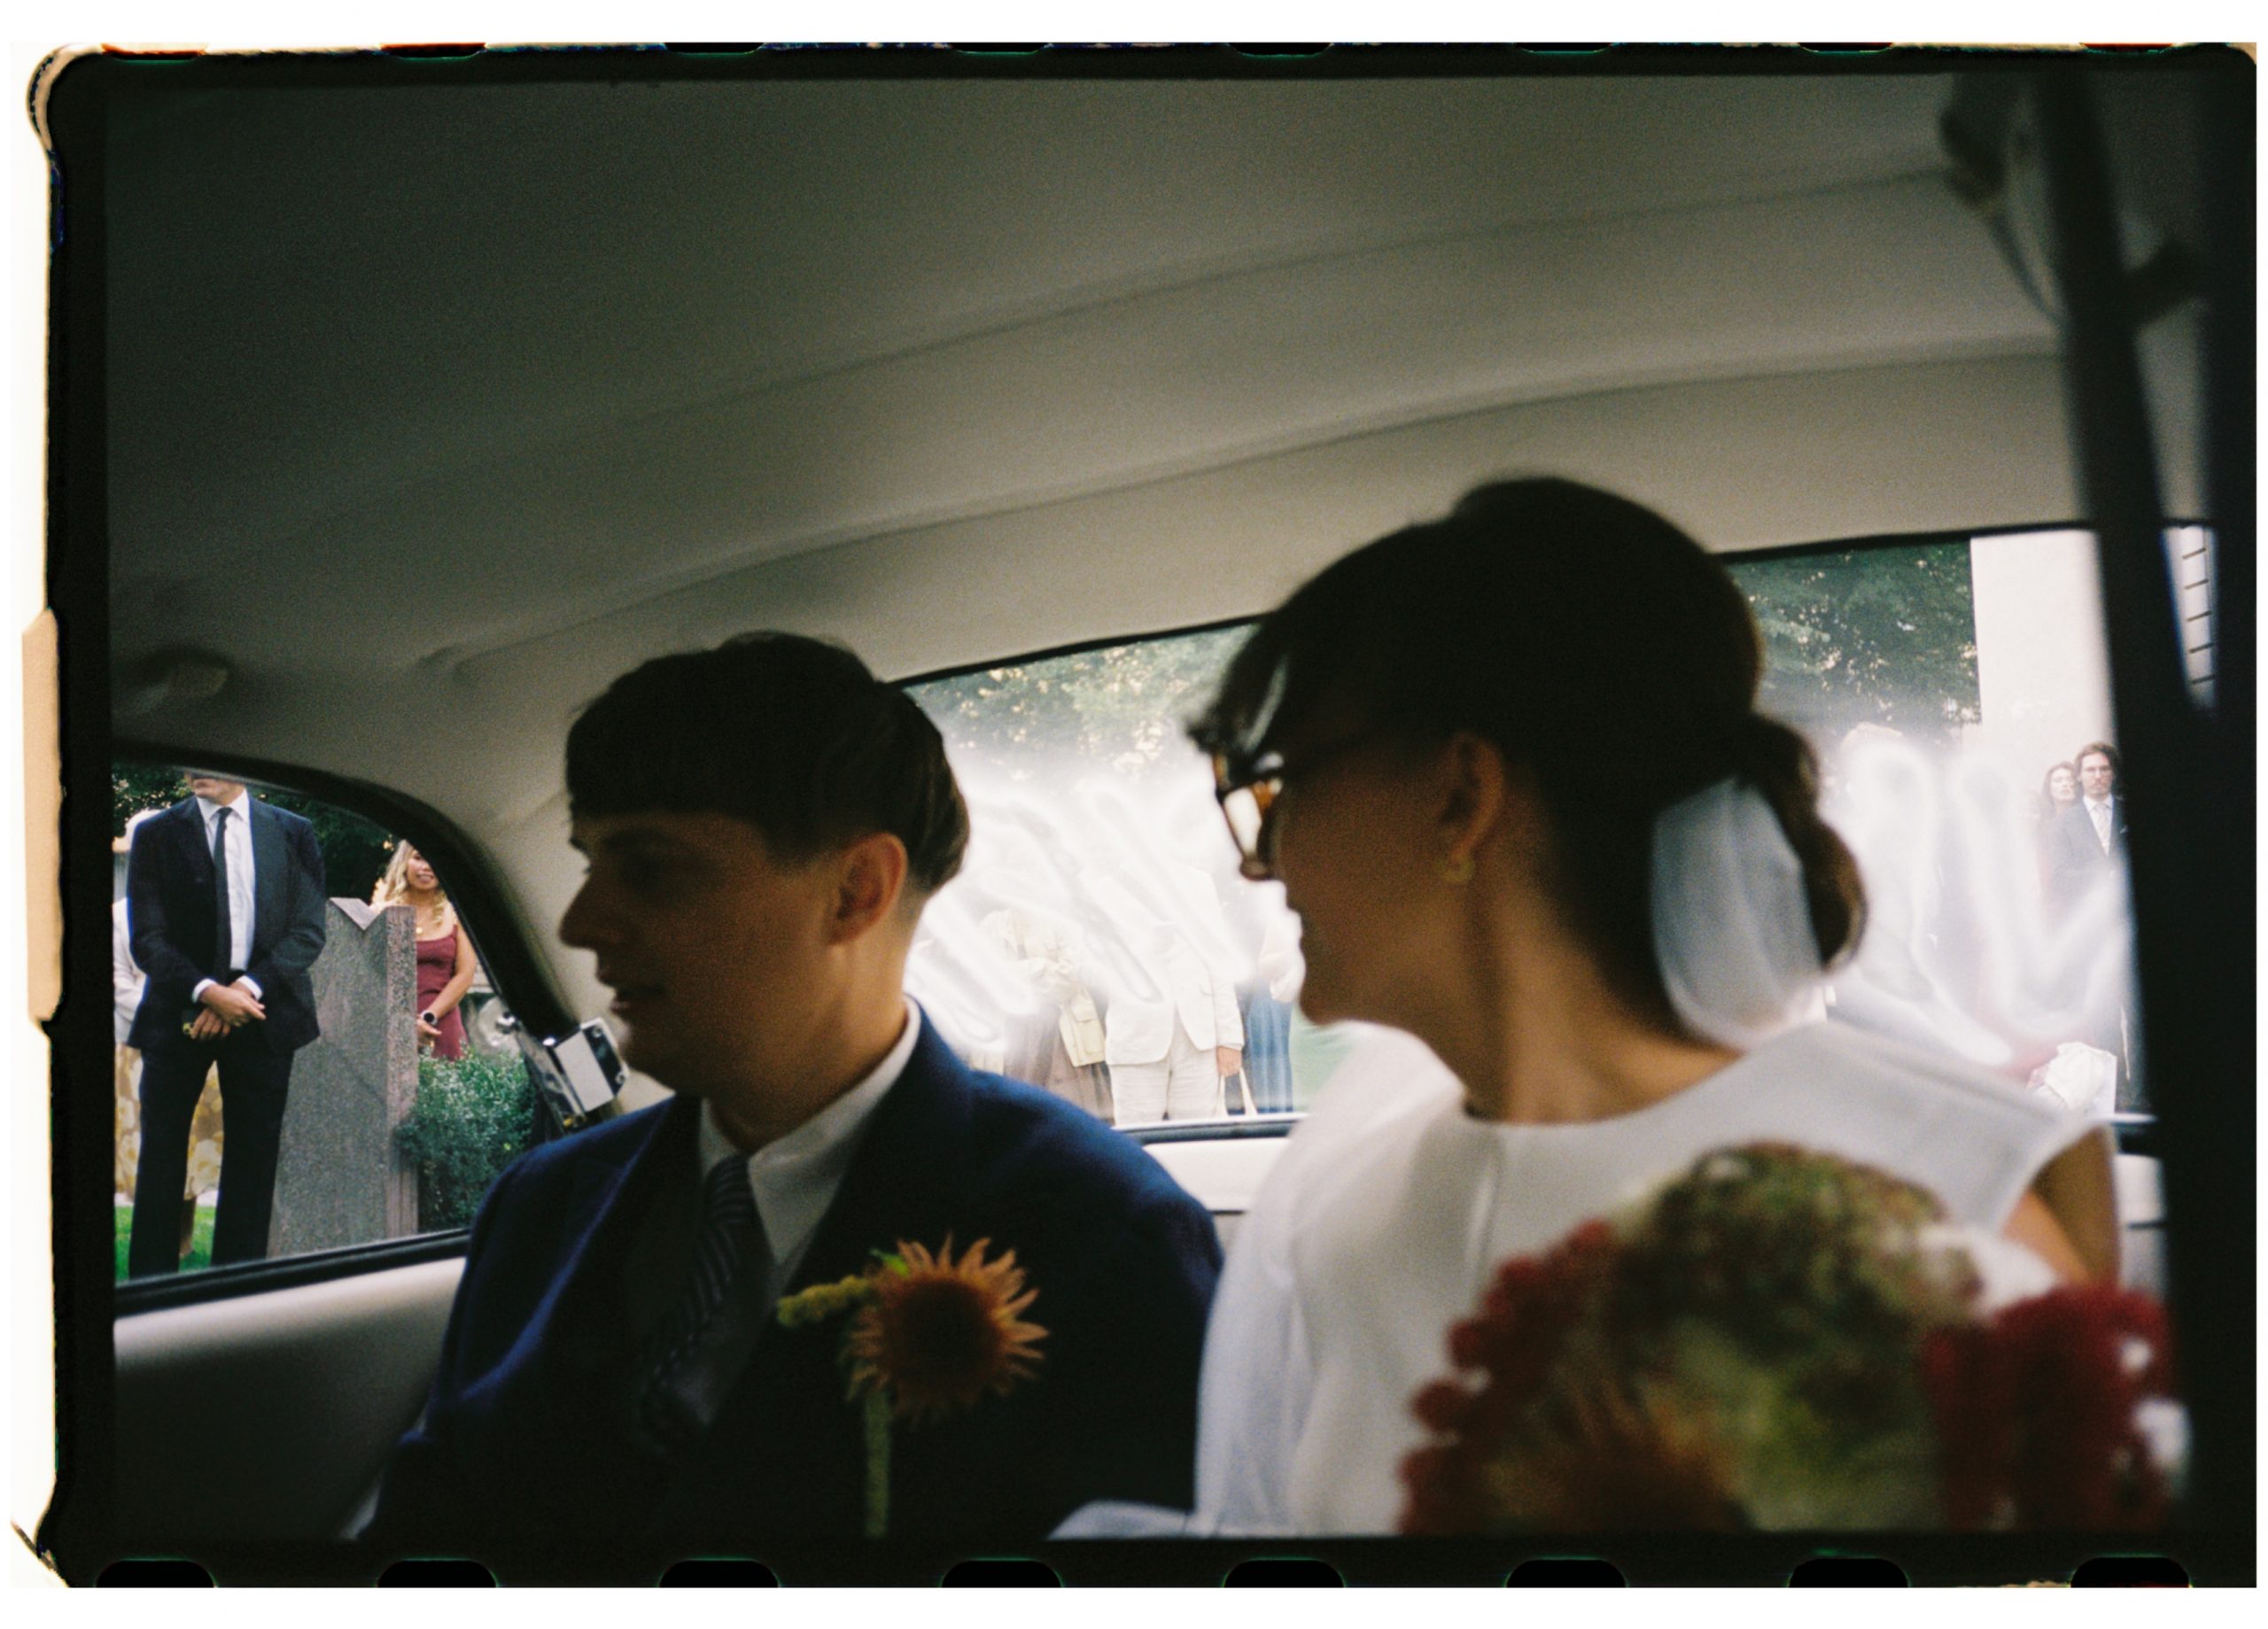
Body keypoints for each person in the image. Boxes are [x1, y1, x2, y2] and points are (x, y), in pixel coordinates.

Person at [1102, 478, 2116, 1535]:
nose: (1259, 862)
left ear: (1460, 793)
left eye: (1281, 787)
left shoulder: (1933, 1197)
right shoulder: (1346, 1232)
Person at [366, 633, 1221, 1562]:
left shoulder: (1100, 1235)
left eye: (648, 867)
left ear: (855, 890)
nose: (581, 922)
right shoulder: (540, 1209)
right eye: (588, 865)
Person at [123, 772, 328, 1276]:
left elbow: (308, 930)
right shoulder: (156, 834)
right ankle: (151, 1291)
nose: (197, 768)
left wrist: (245, 991)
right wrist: (208, 994)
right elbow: (147, 938)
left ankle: (237, 1288)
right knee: (161, 1158)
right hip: (178, 1012)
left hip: (264, 1013)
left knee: (253, 1163)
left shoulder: (293, 832)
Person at [370, 842, 476, 1060]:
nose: (426, 867)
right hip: (388, 1028)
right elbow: (367, 975)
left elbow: (465, 974)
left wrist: (427, 1018)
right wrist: (402, 1025)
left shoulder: (458, 916)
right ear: (404, 862)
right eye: (418, 858)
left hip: (441, 1028)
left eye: (433, 860)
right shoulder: (378, 915)